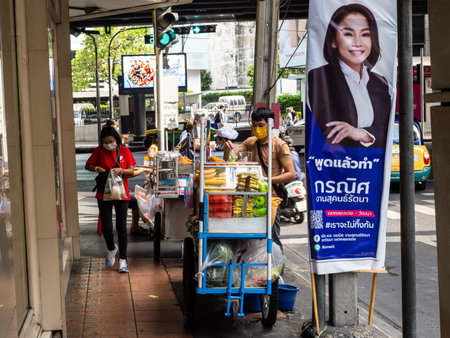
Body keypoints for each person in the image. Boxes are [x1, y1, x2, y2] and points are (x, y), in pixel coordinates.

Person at [308, 4, 391, 148]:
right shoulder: (321, 77)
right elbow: (329, 132)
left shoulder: (380, 83)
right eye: (348, 34)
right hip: (339, 165)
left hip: (373, 163)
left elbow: (387, 130)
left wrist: (362, 134)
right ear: (333, 40)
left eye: (365, 34)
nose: (358, 43)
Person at [223, 107, 295, 249]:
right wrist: (227, 149)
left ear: (270, 125)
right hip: (250, 197)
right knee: (250, 239)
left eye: (261, 126)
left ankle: (278, 271)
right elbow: (231, 159)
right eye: (254, 125)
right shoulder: (251, 142)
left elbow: (291, 173)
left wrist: (268, 180)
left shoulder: (280, 145)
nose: (257, 129)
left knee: (272, 238)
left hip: (271, 198)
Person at [85, 126, 139, 273]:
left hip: (122, 193)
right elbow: (88, 165)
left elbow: (132, 171)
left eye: (111, 141)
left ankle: (123, 260)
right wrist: (97, 169)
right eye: (105, 142)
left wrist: (121, 170)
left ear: (116, 139)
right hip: (103, 193)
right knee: (107, 227)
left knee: (121, 227)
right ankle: (111, 248)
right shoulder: (99, 151)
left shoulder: (124, 151)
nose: (108, 144)